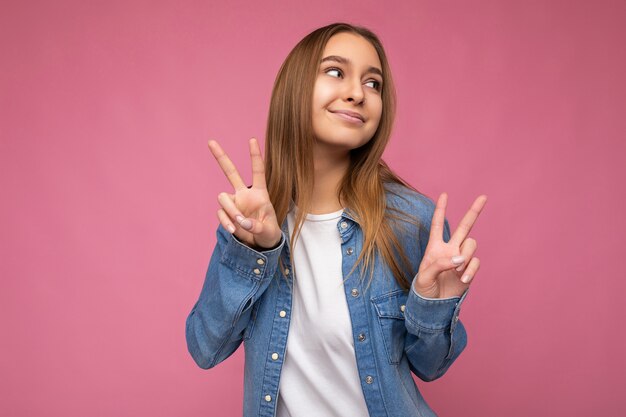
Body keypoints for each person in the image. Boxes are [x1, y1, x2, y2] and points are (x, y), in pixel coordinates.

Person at [185, 22, 487, 417]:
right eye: (335, 72)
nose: (357, 93)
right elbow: (205, 348)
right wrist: (252, 253)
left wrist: (434, 304)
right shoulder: (252, 224)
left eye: (373, 83)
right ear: (296, 88)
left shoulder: (410, 220)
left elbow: (432, 366)